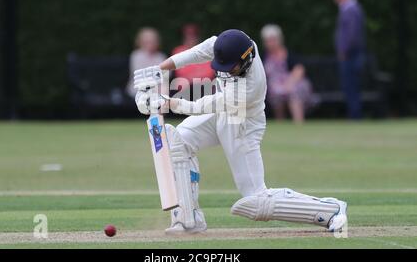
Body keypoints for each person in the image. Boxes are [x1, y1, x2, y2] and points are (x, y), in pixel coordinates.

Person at [133, 29, 348, 235]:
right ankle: (189, 220)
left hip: (242, 125)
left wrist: (168, 103)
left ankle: (331, 209)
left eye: (231, 67)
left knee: (257, 200)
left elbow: (206, 105)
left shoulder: (250, 86)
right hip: (222, 114)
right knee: (178, 140)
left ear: (246, 61)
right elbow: (197, 53)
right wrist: (160, 68)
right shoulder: (230, 45)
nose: (225, 70)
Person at [261, 24, 314, 123]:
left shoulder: (289, 53)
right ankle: (280, 122)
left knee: (294, 91)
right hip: (274, 86)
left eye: (273, 39)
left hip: (293, 82)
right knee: (275, 93)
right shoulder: (263, 57)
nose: (271, 43)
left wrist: (289, 83)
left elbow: (299, 69)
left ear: (279, 39)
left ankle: (299, 122)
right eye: (268, 40)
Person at [334, 0, 366, 119]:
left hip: (351, 54)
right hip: (351, 53)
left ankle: (355, 115)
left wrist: (343, 50)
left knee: (351, 85)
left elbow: (352, 34)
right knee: (350, 85)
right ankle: (354, 114)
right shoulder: (349, 8)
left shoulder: (351, 9)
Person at [172, 24, 215, 100]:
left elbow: (209, 72)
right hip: (185, 85)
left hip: (202, 85)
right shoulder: (178, 50)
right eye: (188, 35)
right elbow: (180, 72)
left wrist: (194, 79)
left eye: (193, 35)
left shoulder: (205, 51)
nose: (190, 38)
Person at [126, 27, 167, 97]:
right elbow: (140, 75)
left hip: (159, 88)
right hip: (139, 89)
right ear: (140, 42)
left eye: (152, 41)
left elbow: (166, 74)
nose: (150, 44)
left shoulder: (161, 56)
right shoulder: (136, 56)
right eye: (147, 42)